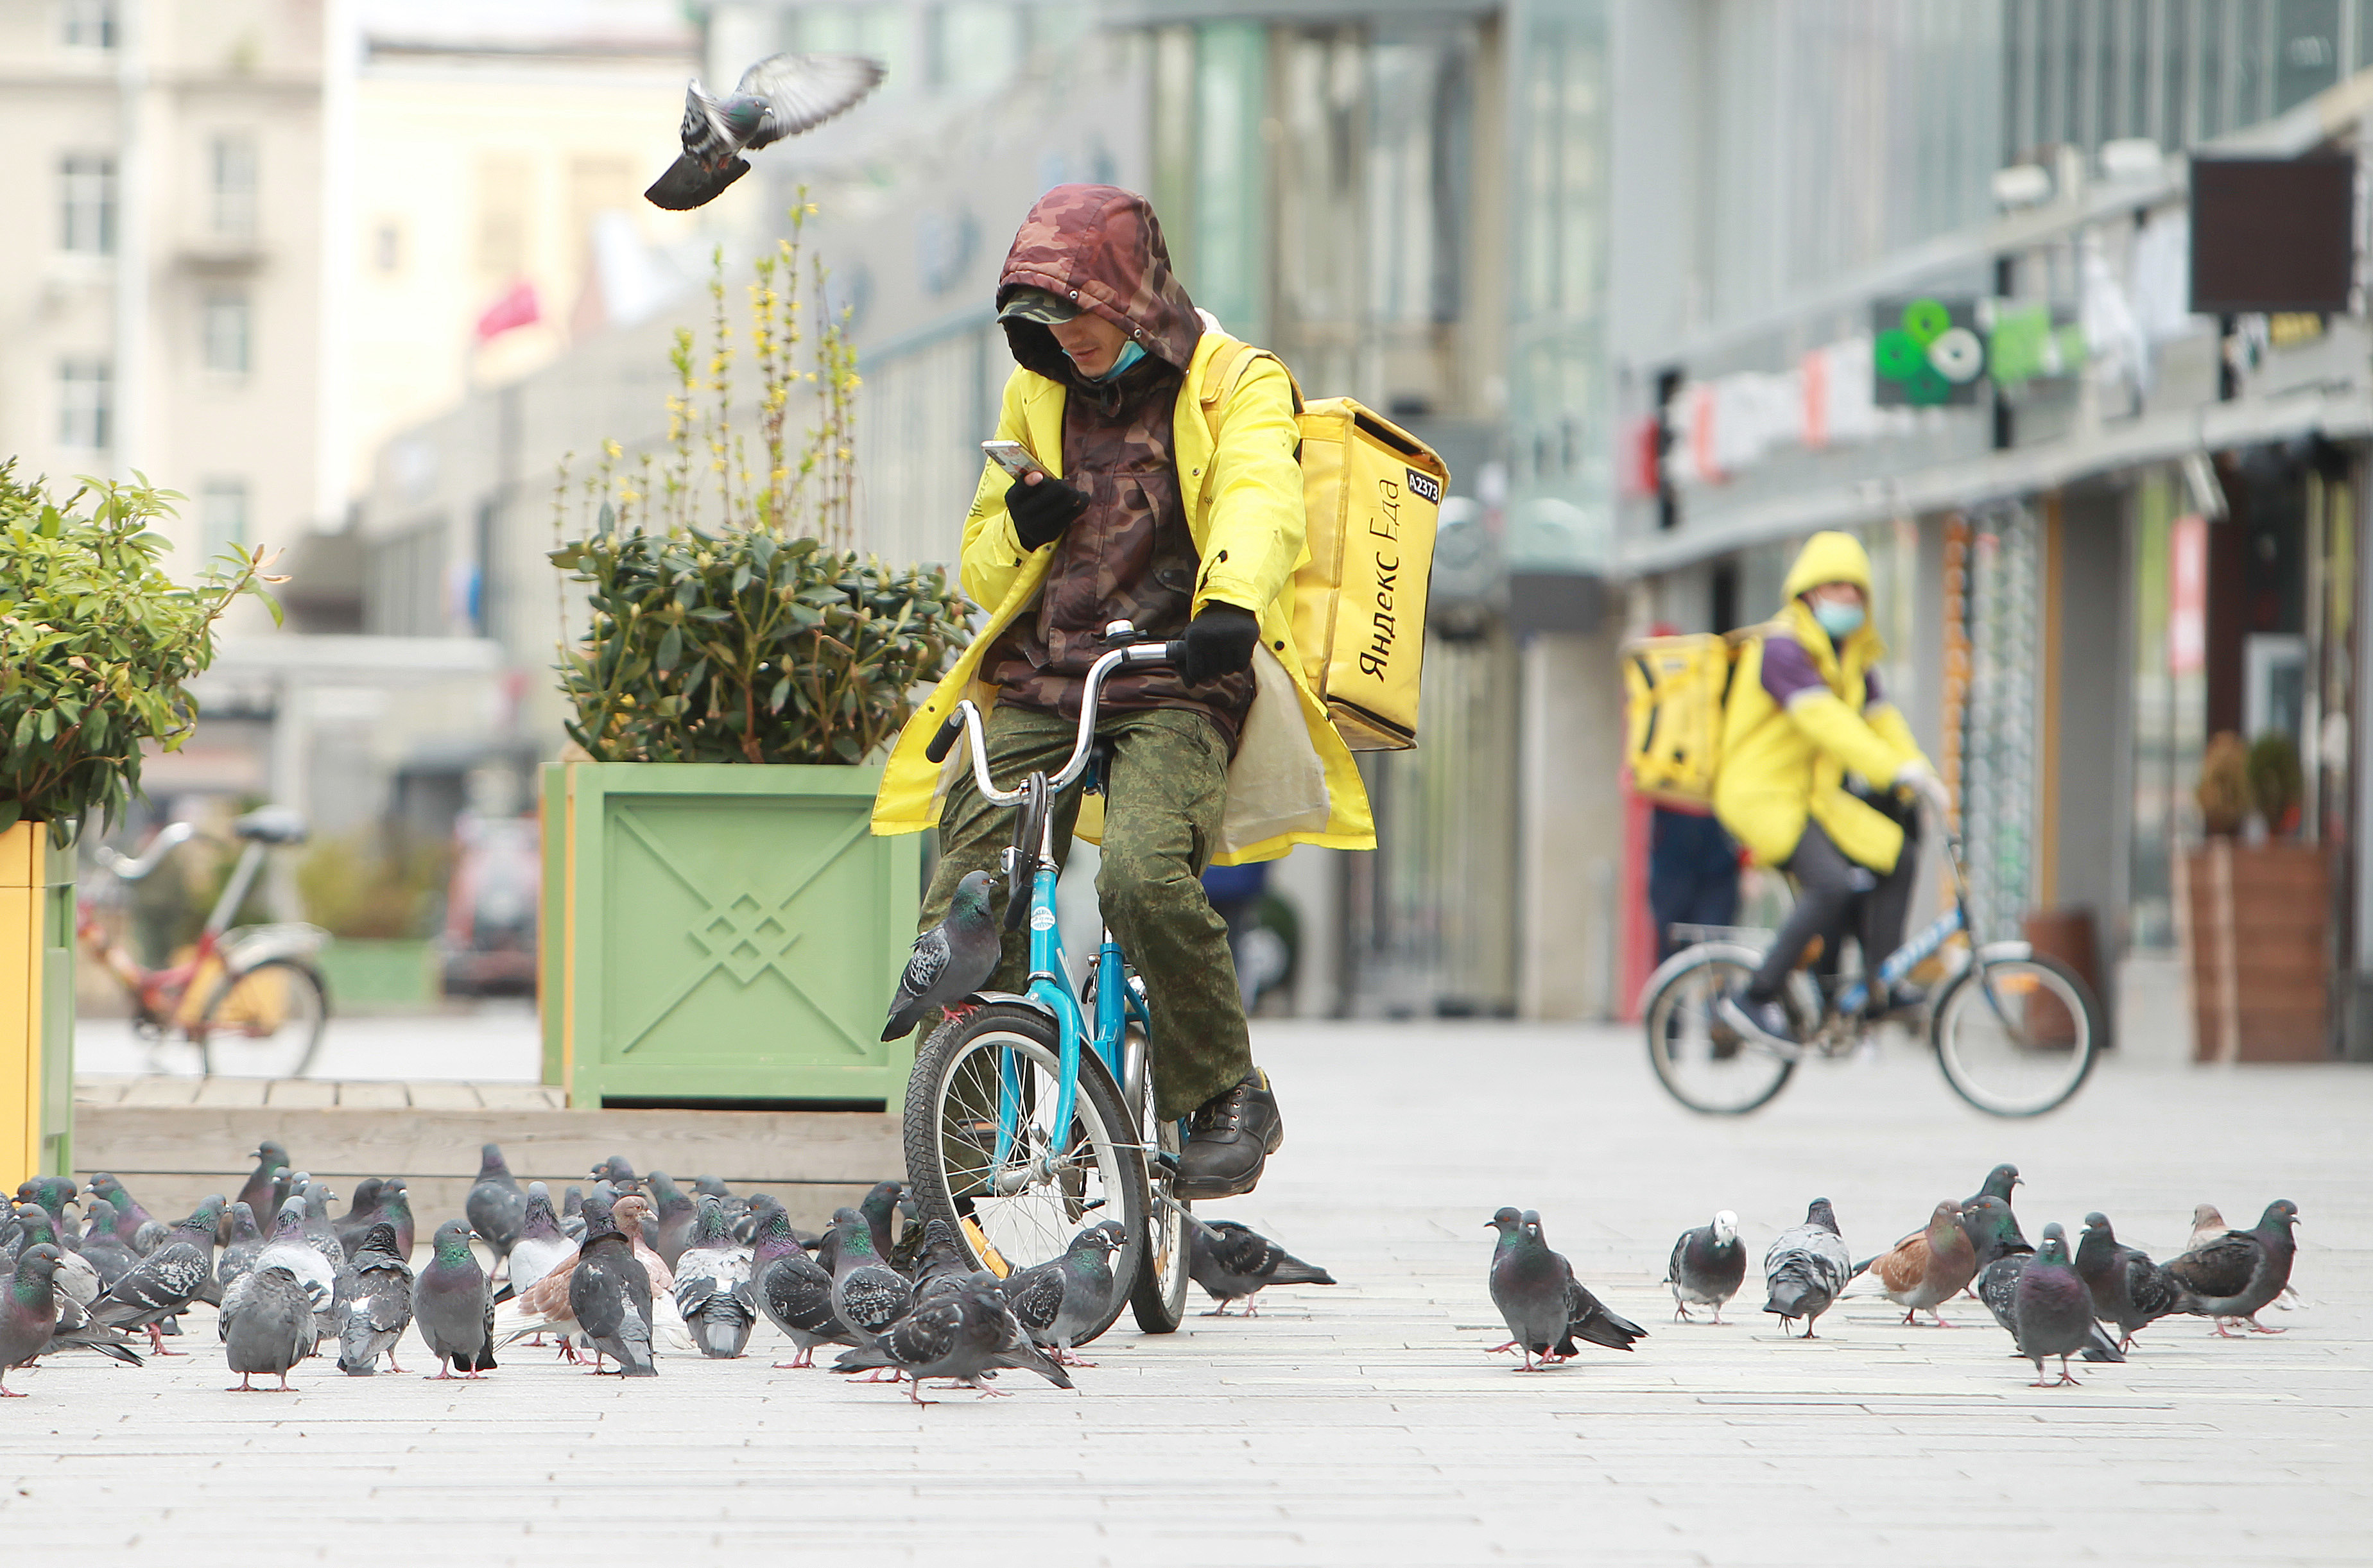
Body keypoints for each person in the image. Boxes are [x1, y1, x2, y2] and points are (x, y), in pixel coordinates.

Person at [870, 185, 1374, 1200]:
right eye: (1039, 319)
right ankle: (954, 1185)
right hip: (1042, 677)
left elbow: (1260, 494)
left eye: (1076, 308)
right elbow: (979, 567)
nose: (1063, 336)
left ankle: (1226, 1089)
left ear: (1132, 293)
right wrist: (1022, 520)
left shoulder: (1237, 382)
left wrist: (1229, 596)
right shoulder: (1039, 394)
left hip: (1179, 675)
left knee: (1142, 876)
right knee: (966, 901)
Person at [1711, 531, 1949, 1046]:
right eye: (1834, 587)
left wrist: (1919, 771)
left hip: (1809, 796)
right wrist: (1892, 772)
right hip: (1760, 795)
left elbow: (1881, 719)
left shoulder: (1853, 654)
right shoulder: (1781, 648)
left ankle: (1878, 984)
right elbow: (1825, 722)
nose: (1847, 598)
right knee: (1831, 884)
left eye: (1855, 589)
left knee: (1897, 855)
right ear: (1808, 592)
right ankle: (1753, 998)